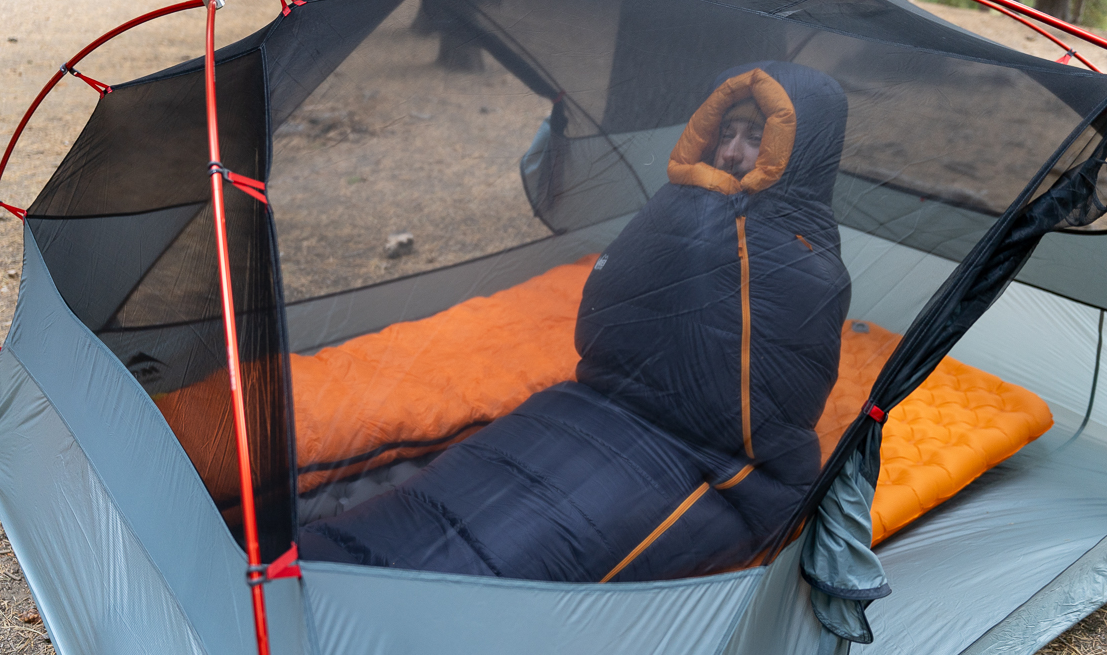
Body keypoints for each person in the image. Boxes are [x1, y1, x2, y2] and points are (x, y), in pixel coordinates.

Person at [300, 62, 851, 582]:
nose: (731, 152)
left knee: (500, 566)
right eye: (727, 130)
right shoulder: (677, 205)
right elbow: (600, 328)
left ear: (796, 152)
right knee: (419, 514)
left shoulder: (810, 267)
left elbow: (764, 424)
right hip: (593, 404)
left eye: (755, 137)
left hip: (721, 474)